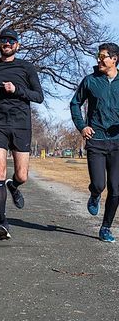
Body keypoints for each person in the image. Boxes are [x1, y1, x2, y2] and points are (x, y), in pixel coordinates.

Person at [0, 28, 44, 239]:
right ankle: (2, 223)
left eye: (11, 41)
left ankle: (13, 186)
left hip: (20, 124)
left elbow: (39, 97)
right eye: (3, 40)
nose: (7, 43)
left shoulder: (26, 68)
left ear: (17, 45)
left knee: (22, 175)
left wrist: (17, 90)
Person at [70, 43, 119, 243]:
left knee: (116, 189)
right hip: (96, 141)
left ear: (114, 59)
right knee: (99, 184)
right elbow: (75, 103)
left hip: (117, 143)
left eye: (103, 57)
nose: (99, 60)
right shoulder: (90, 81)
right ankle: (95, 194)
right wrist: (82, 126)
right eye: (98, 56)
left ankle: (105, 227)